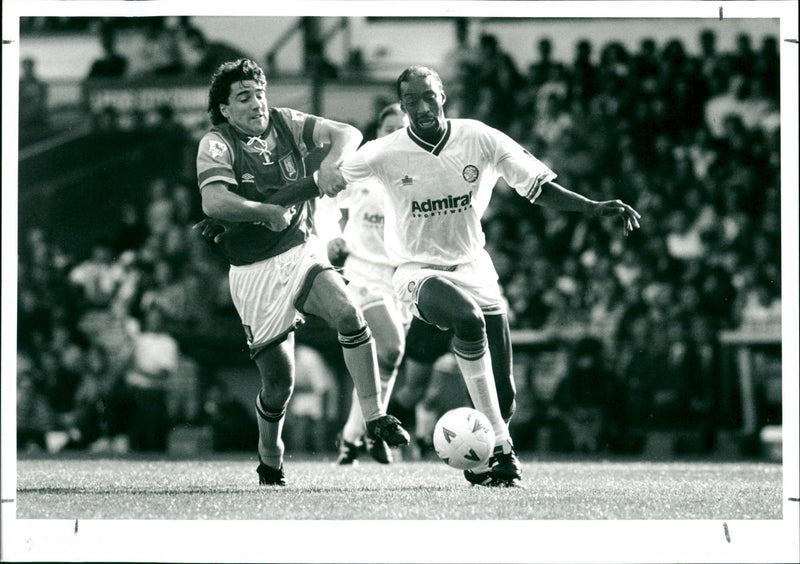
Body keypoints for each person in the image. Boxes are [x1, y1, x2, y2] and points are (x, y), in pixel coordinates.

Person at [339, 65, 641, 487]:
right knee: (466, 321)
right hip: (416, 270)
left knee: (505, 396)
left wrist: (589, 207)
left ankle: (481, 464)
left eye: (430, 97)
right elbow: (324, 183)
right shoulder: (383, 151)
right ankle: (503, 449)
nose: (423, 108)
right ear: (403, 105)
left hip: (475, 268)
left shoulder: (478, 137)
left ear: (443, 94)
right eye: (412, 101)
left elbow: (534, 185)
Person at [193, 58, 410, 486]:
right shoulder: (216, 144)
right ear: (224, 109)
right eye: (244, 98)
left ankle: (374, 416)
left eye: (260, 93)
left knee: (348, 314)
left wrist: (332, 163)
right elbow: (214, 203)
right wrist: (263, 211)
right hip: (253, 271)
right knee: (280, 383)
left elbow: (348, 133)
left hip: (301, 248)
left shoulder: (285, 122)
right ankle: (270, 452)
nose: (257, 103)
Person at [324, 103, 410, 465]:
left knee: (387, 359)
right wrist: (331, 237)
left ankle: (354, 436)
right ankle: (370, 430)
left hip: (402, 276)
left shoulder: (414, 169)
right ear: (378, 130)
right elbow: (325, 199)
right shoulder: (362, 166)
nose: (393, 134)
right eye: (387, 127)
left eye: (400, 128)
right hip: (362, 273)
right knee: (391, 347)